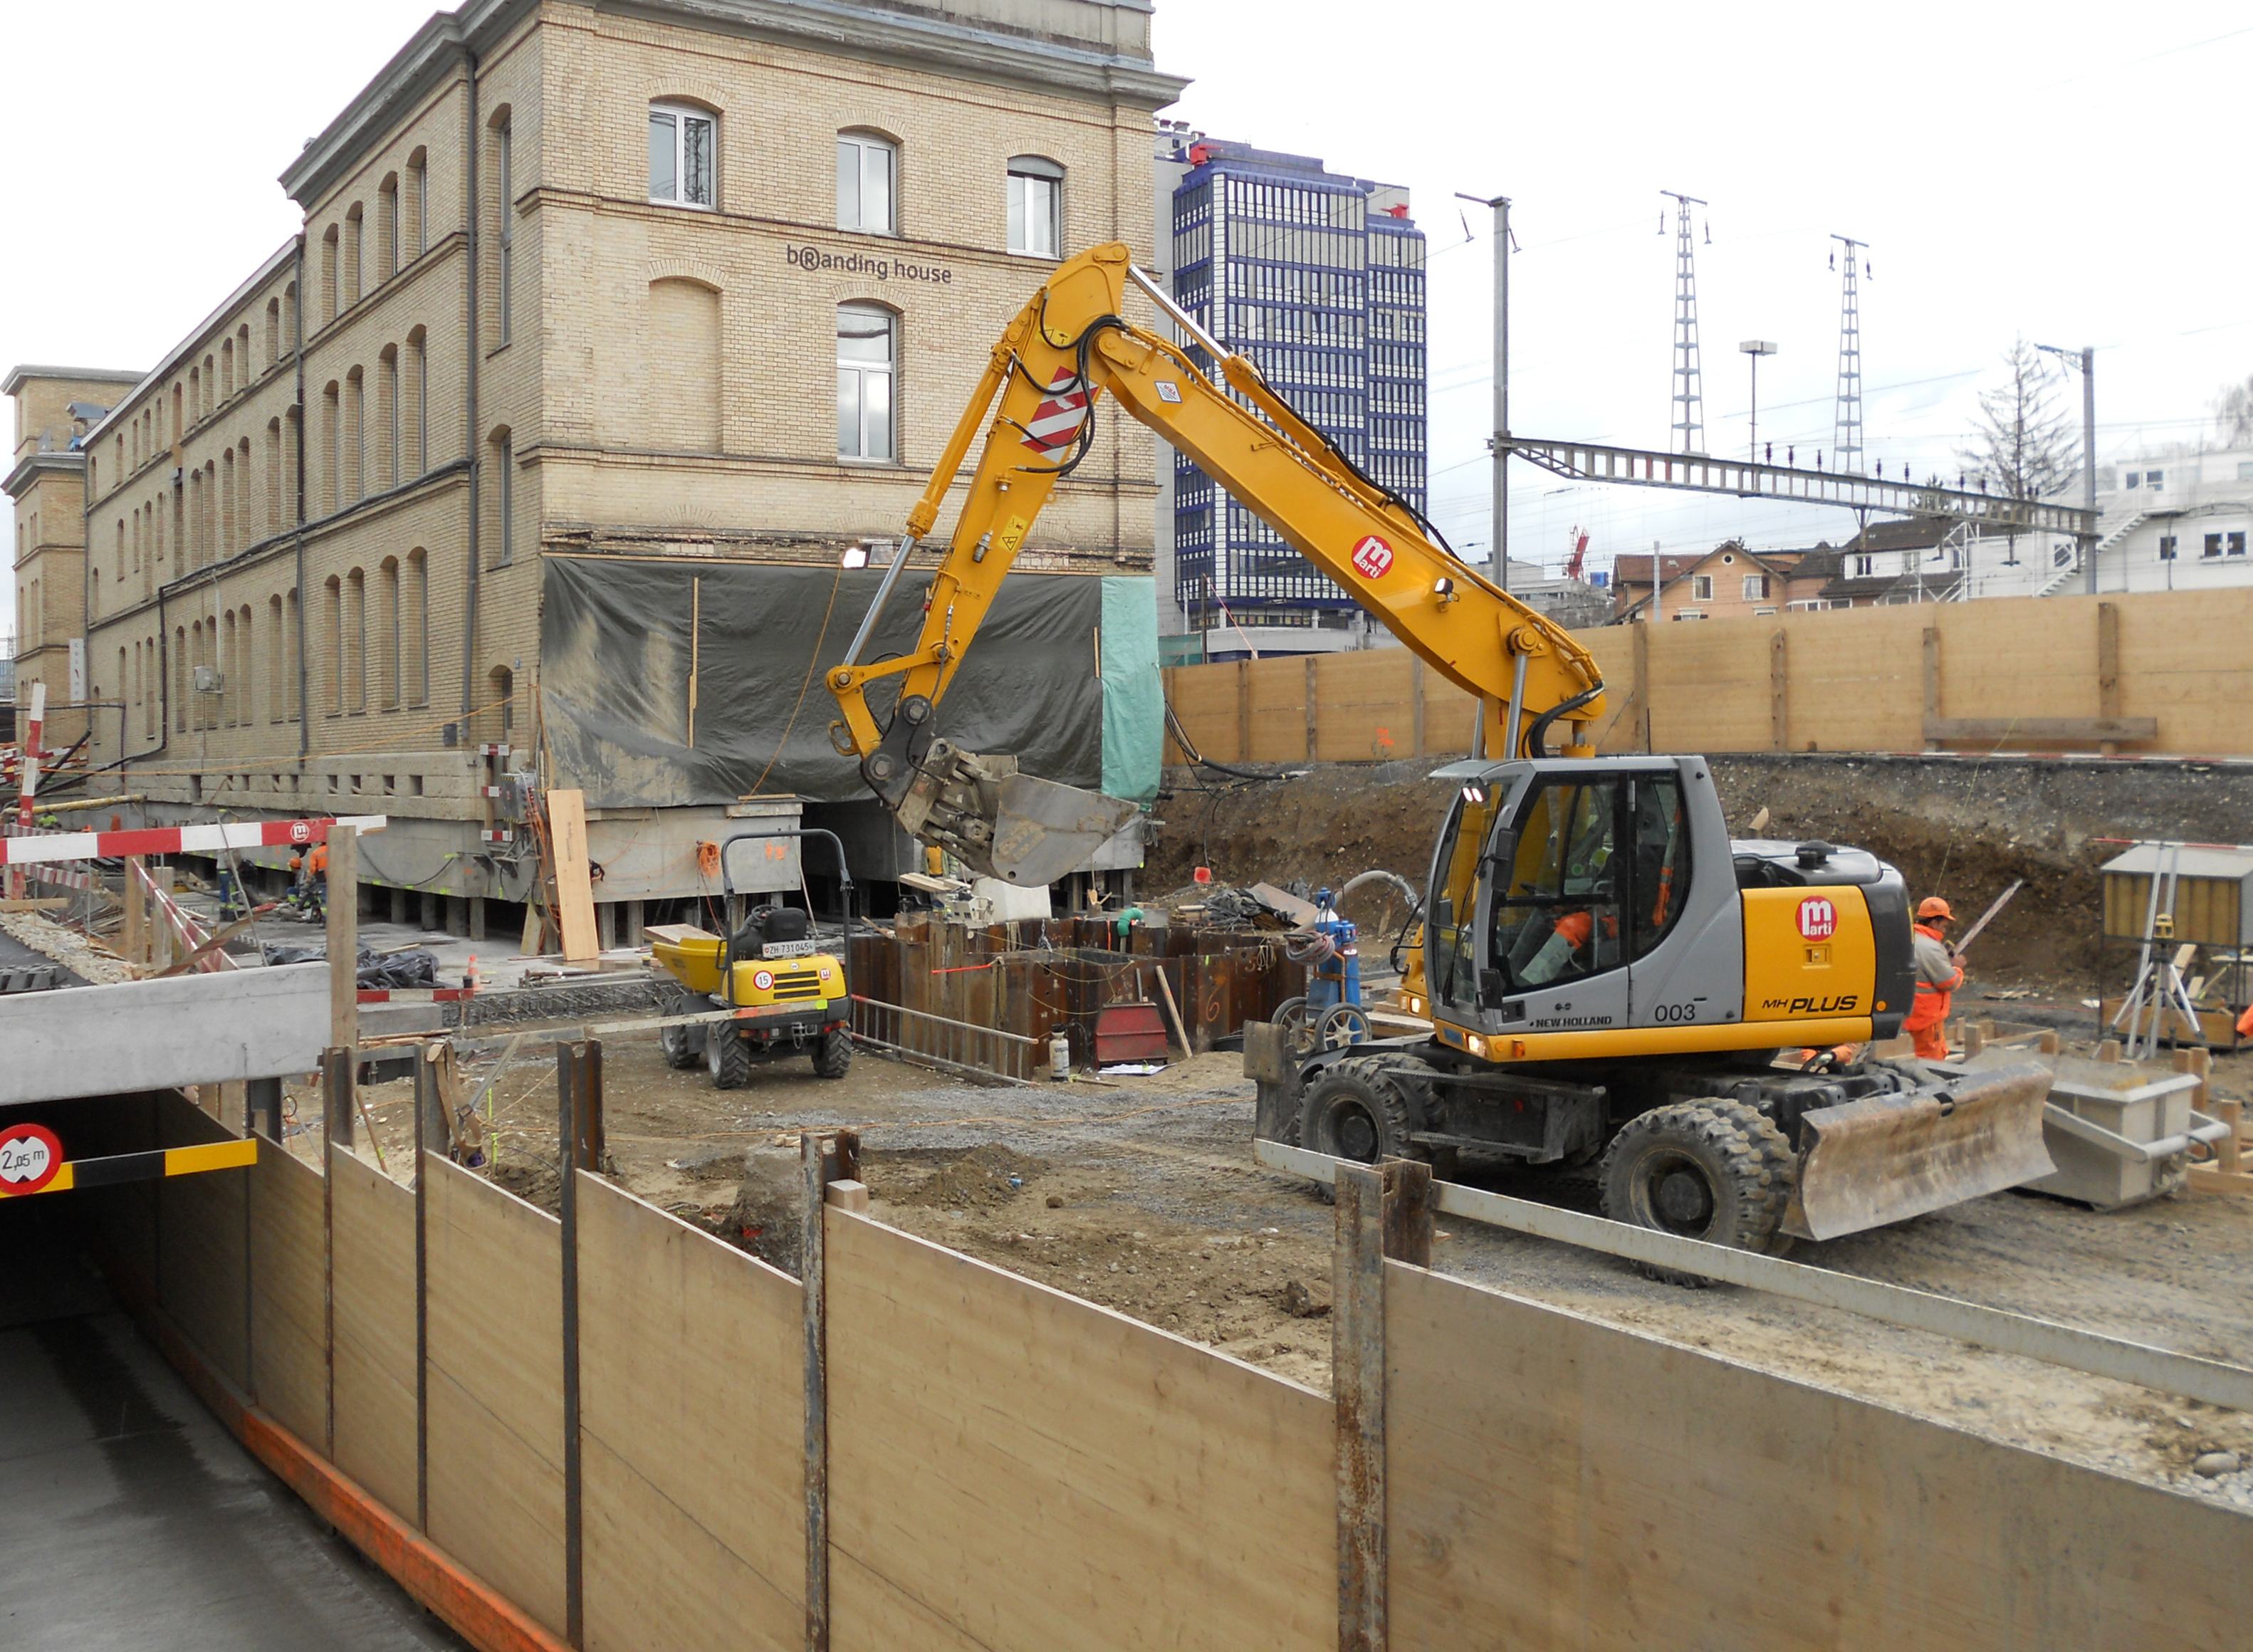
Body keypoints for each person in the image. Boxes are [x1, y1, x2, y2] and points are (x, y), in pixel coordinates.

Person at [1906, 896, 1963, 1060]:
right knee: (1932, 1058)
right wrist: (1957, 968)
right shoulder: (1930, 948)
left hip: (1914, 1010)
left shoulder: (1910, 938)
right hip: (1927, 1015)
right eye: (1944, 926)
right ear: (1934, 923)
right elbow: (1949, 982)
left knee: (1929, 1052)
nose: (1945, 931)